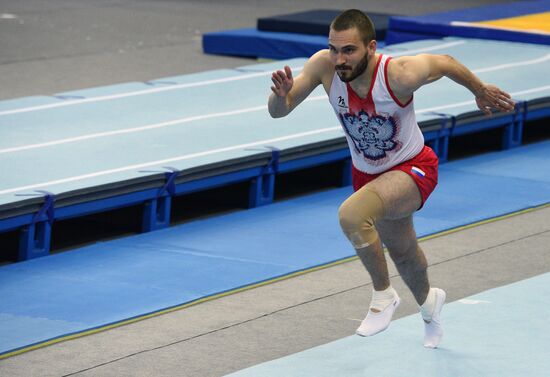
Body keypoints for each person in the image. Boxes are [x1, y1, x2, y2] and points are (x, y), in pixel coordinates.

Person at [268, 9, 515, 348]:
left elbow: (444, 61)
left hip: (413, 168)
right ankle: (430, 306)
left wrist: (479, 88)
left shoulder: (398, 74)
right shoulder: (324, 66)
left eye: (349, 50)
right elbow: (279, 111)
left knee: (352, 216)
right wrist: (280, 98)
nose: (339, 58)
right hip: (368, 175)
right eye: (334, 49)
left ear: (371, 47)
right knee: (403, 253)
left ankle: (383, 296)